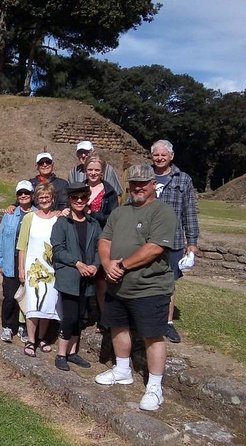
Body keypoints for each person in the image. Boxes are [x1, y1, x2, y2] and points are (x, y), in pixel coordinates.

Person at [95, 164, 177, 412]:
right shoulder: (120, 212)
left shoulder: (162, 212)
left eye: (143, 183)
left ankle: (154, 386)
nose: (138, 187)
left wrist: (122, 265)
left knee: (152, 334)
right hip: (118, 285)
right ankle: (122, 369)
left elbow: (155, 248)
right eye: (134, 183)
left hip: (149, 286)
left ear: (153, 184)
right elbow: (104, 239)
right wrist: (107, 263)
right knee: (118, 326)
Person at [151, 139, 199, 344]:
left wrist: (192, 242)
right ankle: (146, 318)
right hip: (146, 238)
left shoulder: (183, 179)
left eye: (164, 155)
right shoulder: (144, 175)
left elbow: (189, 212)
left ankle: (167, 323)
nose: (160, 158)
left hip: (174, 240)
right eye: (156, 155)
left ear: (171, 156)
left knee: (169, 283)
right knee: (144, 279)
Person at [51, 183, 101, 371]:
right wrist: (78, 264)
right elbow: (58, 249)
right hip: (69, 277)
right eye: (75, 198)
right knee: (70, 317)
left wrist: (95, 265)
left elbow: (99, 247)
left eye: (82, 197)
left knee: (81, 317)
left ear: (87, 199)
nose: (79, 201)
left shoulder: (93, 224)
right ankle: (61, 354)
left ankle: (72, 352)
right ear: (70, 200)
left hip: (87, 277)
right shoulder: (62, 223)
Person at [16, 183, 62, 357]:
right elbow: (22, 246)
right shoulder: (29, 218)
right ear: (37, 199)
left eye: (47, 197)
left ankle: (42, 337)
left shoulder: (58, 218)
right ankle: (30, 339)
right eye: (41, 197)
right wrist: (21, 268)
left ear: (52, 198)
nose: (44, 200)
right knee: (33, 304)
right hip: (32, 268)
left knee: (47, 304)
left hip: (51, 268)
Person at [0, 180, 35, 343]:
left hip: (30, 260)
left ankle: (23, 326)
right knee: (10, 296)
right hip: (11, 259)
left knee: (28, 296)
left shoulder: (38, 214)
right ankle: (7, 326)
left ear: (32, 195)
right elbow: (1, 237)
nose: (23, 196)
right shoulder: (10, 214)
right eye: (20, 193)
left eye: (26, 193)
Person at [82, 153, 119, 331]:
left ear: (102, 171)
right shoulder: (79, 188)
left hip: (102, 237)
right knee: (82, 276)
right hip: (81, 236)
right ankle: (84, 315)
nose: (93, 173)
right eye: (90, 169)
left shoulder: (109, 191)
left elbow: (113, 217)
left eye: (97, 170)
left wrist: (92, 214)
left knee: (102, 281)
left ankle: (105, 318)